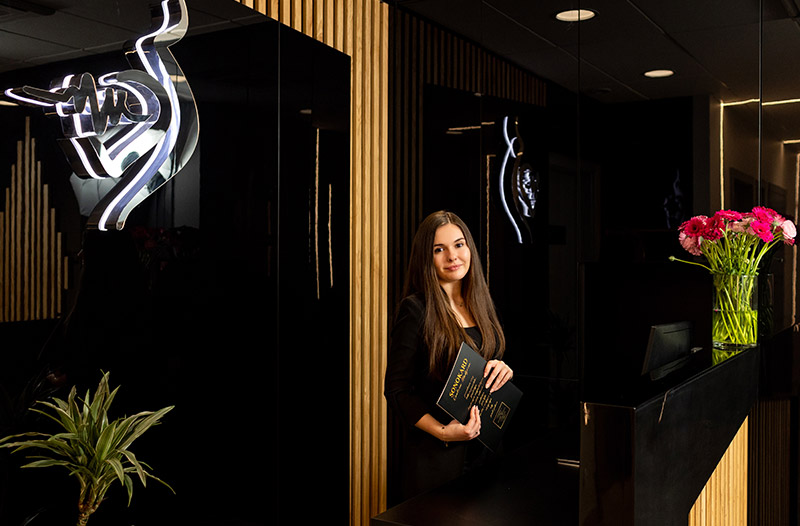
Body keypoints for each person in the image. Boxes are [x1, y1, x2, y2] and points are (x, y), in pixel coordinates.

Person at [385, 210, 513, 501]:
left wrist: (503, 369)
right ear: (426, 257)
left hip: (487, 455)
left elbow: (487, 363)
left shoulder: (480, 303)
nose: (452, 256)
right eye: (439, 249)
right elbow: (396, 390)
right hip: (437, 461)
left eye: (458, 244)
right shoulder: (415, 309)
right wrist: (443, 432)